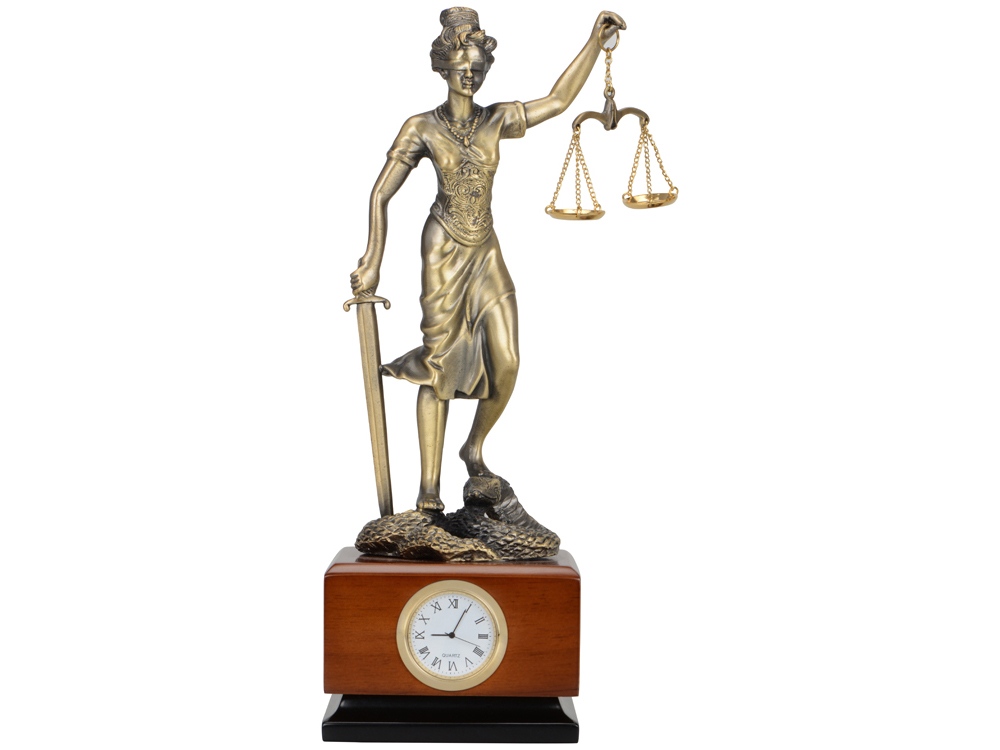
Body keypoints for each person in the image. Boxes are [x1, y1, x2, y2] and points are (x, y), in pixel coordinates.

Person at [350, 7, 625, 513]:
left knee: (508, 361)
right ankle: (428, 493)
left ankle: (473, 446)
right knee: (439, 369)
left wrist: (594, 41)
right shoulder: (421, 126)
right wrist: (373, 258)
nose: (470, 75)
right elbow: (381, 193)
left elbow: (558, 101)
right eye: (461, 67)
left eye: (477, 67)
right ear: (442, 67)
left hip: (486, 250)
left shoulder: (496, 119)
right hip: (442, 250)